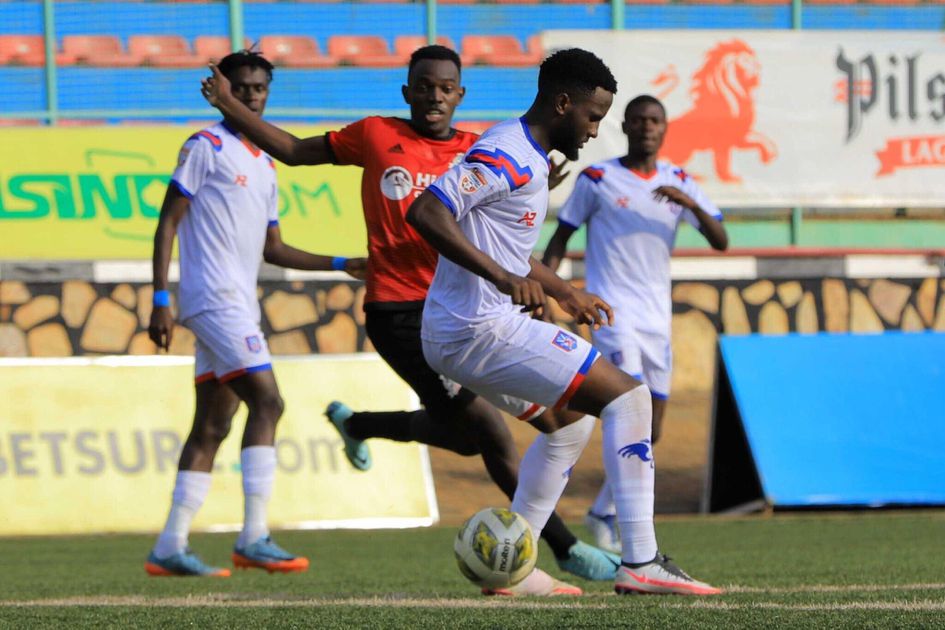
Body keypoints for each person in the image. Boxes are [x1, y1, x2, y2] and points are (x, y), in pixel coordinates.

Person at [200, 45, 618, 592]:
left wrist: (540, 206)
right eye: (424, 86)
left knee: (528, 426)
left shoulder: (481, 150)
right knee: (490, 432)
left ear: (459, 95)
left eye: (446, 88)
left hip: (468, 312)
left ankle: (362, 424)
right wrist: (233, 106)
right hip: (401, 311)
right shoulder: (376, 135)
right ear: (408, 91)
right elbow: (297, 151)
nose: (434, 97)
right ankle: (557, 552)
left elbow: (507, 234)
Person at [406, 48, 722, 595]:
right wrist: (505, 283)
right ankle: (641, 561)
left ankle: (513, 567)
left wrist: (564, 292)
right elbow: (427, 211)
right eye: (593, 116)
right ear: (562, 103)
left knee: (570, 425)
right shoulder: (509, 155)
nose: (596, 130)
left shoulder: (527, 156)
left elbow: (505, 246)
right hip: (477, 328)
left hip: (457, 333)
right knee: (630, 398)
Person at [145, 50, 366, 577]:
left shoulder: (266, 162)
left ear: (268, 91)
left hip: (237, 301)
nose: (250, 95)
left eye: (258, 88)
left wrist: (342, 262)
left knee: (213, 424)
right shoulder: (205, 145)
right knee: (268, 402)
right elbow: (167, 223)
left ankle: (170, 546)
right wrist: (159, 297)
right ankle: (254, 536)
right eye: (240, 87)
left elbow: (275, 249)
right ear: (222, 88)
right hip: (211, 298)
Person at [542, 94, 729, 553]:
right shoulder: (599, 178)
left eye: (655, 121)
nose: (647, 127)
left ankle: (603, 509)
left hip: (656, 320)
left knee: (654, 429)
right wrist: (550, 297)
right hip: (612, 314)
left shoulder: (679, 181)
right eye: (639, 120)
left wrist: (690, 203)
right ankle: (631, 530)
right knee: (631, 405)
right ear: (624, 126)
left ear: (665, 129)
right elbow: (560, 238)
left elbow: (721, 240)